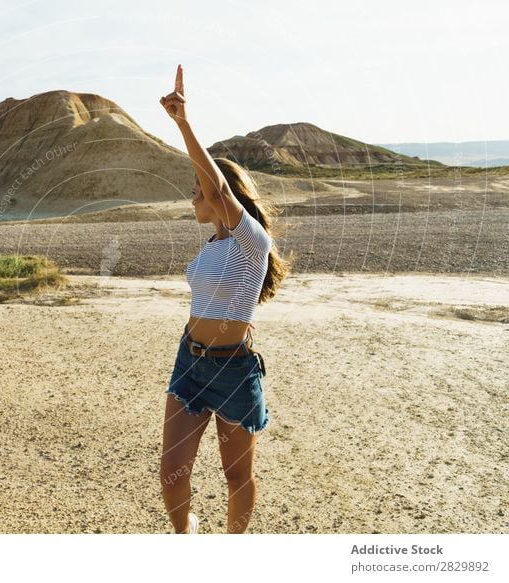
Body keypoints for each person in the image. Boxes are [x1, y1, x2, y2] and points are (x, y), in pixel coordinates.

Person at [158, 64, 292, 534]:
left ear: (224, 198)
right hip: (190, 363)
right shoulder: (214, 244)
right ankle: (187, 540)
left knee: (236, 475)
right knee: (172, 477)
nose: (194, 198)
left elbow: (214, 184)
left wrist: (183, 122)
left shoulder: (250, 239)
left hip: (233, 368)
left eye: (199, 191)